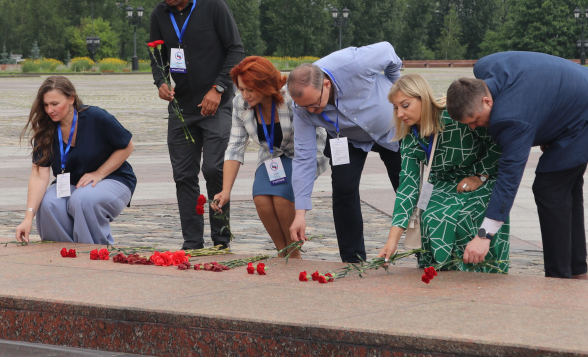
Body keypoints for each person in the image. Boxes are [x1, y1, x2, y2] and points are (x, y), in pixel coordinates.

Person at [446, 51, 588, 280]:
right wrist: (550, 130)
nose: (474, 127)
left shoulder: (510, 118)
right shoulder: (486, 67)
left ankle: (559, 279)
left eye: (475, 120)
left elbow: (509, 178)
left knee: (550, 188)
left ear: (486, 100)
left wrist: (484, 236)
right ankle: (576, 272)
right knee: (565, 188)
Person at [149, 0, 245, 249]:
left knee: (215, 169)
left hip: (217, 104)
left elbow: (236, 51)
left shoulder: (213, 5)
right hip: (182, 108)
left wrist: (218, 88)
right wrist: (161, 82)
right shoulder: (159, 15)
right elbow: (157, 57)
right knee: (183, 175)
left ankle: (221, 239)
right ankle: (192, 242)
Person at [376, 75, 508, 273]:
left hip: (480, 178)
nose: (400, 113)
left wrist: (481, 175)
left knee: (466, 217)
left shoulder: (453, 115)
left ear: (423, 98)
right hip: (441, 185)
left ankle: (481, 275)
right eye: (395, 108)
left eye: (405, 105)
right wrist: (392, 241)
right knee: (432, 217)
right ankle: (443, 277)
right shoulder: (411, 138)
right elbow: (408, 187)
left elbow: (495, 140)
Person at [287, 42, 403, 263]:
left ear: (326, 84)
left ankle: (425, 251)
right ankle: (352, 260)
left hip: (392, 129)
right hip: (346, 138)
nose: (311, 111)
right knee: (343, 191)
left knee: (406, 188)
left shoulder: (353, 62)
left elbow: (388, 51)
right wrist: (300, 213)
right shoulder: (301, 107)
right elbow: (304, 158)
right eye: (305, 107)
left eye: (314, 104)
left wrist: (398, 88)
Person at [211, 56, 328, 258]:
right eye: (241, 89)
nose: (245, 95)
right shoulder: (239, 103)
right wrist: (226, 190)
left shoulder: (290, 98)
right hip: (271, 156)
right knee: (261, 199)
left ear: (265, 85)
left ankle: (294, 255)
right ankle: (283, 253)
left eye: (250, 89)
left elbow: (307, 139)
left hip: (303, 153)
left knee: (282, 198)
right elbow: (235, 146)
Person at [15, 76, 136, 244]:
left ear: (71, 99)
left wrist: (99, 173)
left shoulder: (96, 116)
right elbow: (39, 175)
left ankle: (94, 252)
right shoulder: (46, 128)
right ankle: (64, 253)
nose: (50, 110)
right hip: (72, 184)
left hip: (113, 179)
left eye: (55, 104)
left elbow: (128, 146)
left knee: (82, 200)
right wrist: (28, 218)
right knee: (49, 203)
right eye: (46, 105)